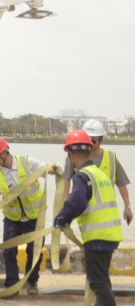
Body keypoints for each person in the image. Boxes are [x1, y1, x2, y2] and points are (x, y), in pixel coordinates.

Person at [55, 129, 123, 306]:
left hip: (97, 238)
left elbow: (77, 203)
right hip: (111, 236)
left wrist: (61, 219)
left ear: (71, 154)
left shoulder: (82, 176)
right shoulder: (101, 174)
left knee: (97, 282)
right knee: (102, 280)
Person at [0, 136, 52, 296]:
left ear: (4, 152)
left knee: (34, 251)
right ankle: (12, 285)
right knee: (8, 251)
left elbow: (47, 169)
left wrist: (58, 168)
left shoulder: (27, 163)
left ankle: (32, 282)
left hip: (34, 217)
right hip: (12, 218)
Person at [62, 119, 133, 227]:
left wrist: (127, 207)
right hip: (85, 215)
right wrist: (65, 206)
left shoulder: (111, 158)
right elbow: (66, 180)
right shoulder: (73, 156)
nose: (89, 144)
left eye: (93, 141)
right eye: (87, 140)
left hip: (107, 215)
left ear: (101, 141)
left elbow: (122, 184)